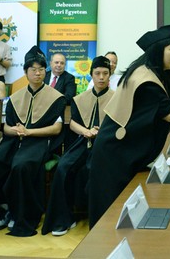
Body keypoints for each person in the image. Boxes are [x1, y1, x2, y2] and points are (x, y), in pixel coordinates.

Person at [86, 23, 170, 228]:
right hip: (113, 154)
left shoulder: (146, 72)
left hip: (119, 150)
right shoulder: (146, 81)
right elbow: (169, 112)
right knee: (110, 217)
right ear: (158, 50)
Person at [0, 46, 65, 237]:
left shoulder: (55, 97)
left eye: (41, 69)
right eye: (33, 69)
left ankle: (21, 214)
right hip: (14, 141)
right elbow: (5, 128)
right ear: (25, 72)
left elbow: (56, 129)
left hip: (39, 141)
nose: (38, 73)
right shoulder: (15, 98)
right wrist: (16, 130)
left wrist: (29, 132)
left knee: (21, 166)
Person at [42, 55, 115, 236]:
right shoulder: (80, 98)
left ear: (109, 75)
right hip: (83, 142)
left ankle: (101, 219)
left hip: (107, 146)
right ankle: (64, 218)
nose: (101, 77)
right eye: (97, 73)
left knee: (94, 168)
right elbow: (72, 123)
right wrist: (86, 131)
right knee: (63, 167)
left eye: (105, 73)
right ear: (91, 75)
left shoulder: (117, 99)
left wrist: (101, 133)